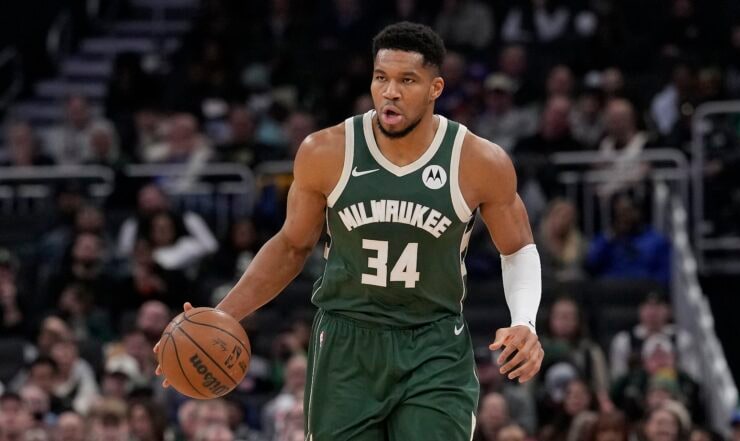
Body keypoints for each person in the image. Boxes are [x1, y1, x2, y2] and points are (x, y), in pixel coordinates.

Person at [155, 21, 544, 441]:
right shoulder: (327, 151)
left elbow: (518, 247)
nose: (390, 92)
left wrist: (525, 321)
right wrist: (219, 317)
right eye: (381, 78)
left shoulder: (479, 160)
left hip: (433, 342)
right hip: (346, 342)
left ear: (435, 88)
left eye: (407, 80)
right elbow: (291, 245)